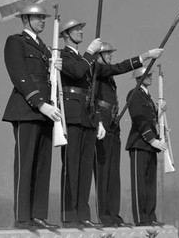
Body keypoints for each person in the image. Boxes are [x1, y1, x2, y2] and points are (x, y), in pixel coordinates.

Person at [2, 3, 62, 231]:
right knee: (26, 164)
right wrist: (39, 103)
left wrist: (55, 67)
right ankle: (22, 217)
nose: (43, 21)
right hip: (28, 110)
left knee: (42, 166)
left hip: (47, 112)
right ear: (25, 19)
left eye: (44, 18)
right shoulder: (15, 41)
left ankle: (38, 215)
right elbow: (19, 75)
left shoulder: (46, 48)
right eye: (38, 18)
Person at [94, 42, 164, 226]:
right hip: (101, 123)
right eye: (107, 53)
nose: (110, 56)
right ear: (98, 56)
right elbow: (118, 69)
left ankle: (114, 216)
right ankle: (105, 216)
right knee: (103, 173)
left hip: (113, 124)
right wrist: (146, 54)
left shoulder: (107, 77)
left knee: (113, 174)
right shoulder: (96, 70)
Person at [59, 18, 106, 228]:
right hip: (71, 114)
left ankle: (83, 214)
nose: (80, 32)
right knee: (71, 165)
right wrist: (89, 52)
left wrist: (143, 58)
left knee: (85, 168)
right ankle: (70, 215)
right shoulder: (62, 55)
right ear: (66, 34)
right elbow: (77, 71)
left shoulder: (83, 58)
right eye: (76, 29)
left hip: (87, 115)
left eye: (81, 28)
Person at [125, 67, 167, 227]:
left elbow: (152, 120)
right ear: (139, 77)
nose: (151, 77)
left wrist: (160, 111)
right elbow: (139, 120)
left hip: (149, 145)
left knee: (150, 184)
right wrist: (151, 139)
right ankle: (141, 218)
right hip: (139, 143)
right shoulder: (134, 93)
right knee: (140, 184)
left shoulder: (147, 97)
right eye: (147, 75)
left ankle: (150, 216)